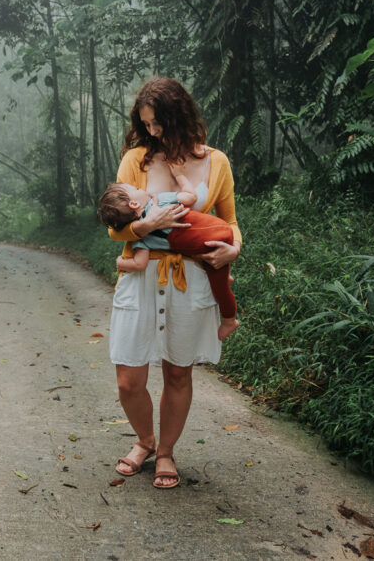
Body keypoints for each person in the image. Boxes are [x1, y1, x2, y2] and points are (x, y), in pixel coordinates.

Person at [105, 76, 241, 488]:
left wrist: (234, 249)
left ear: (178, 115)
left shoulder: (216, 162)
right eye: (146, 124)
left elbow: (230, 223)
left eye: (158, 123)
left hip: (190, 278)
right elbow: (115, 228)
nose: (152, 131)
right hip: (142, 275)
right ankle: (143, 440)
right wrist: (148, 223)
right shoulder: (136, 159)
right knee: (129, 378)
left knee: (178, 374)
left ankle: (164, 452)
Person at [96, 175, 239, 342]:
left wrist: (121, 262)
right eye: (135, 190)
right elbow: (191, 197)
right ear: (134, 204)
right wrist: (181, 178)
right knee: (202, 256)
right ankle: (228, 306)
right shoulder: (161, 201)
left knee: (220, 286)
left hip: (215, 239)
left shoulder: (141, 239)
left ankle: (229, 320)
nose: (140, 188)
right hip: (216, 234)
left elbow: (139, 264)